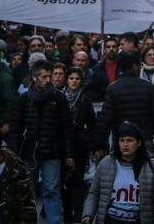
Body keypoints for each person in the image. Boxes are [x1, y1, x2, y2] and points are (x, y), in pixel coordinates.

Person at [7, 59, 74, 224]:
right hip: (28, 153)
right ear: (34, 77)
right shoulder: (24, 99)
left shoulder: (59, 98)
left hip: (52, 153)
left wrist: (69, 153)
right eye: (44, 76)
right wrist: (14, 152)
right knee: (27, 191)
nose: (48, 80)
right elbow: (15, 126)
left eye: (49, 76)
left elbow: (67, 127)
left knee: (52, 190)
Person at [82, 122, 154, 224]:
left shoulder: (152, 166)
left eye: (130, 140)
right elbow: (94, 193)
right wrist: (87, 214)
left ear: (139, 142)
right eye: (122, 140)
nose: (125, 144)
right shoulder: (106, 164)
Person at [96, 51, 154, 154]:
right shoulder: (149, 87)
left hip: (121, 140)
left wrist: (100, 144)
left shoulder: (113, 88)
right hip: (144, 139)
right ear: (135, 66)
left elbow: (105, 119)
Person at [63, 67, 98, 224]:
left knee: (77, 183)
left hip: (79, 147)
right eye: (71, 78)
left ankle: (78, 214)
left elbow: (92, 124)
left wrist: (93, 144)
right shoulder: (60, 98)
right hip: (62, 146)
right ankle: (66, 215)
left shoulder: (85, 100)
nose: (74, 81)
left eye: (77, 79)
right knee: (64, 183)